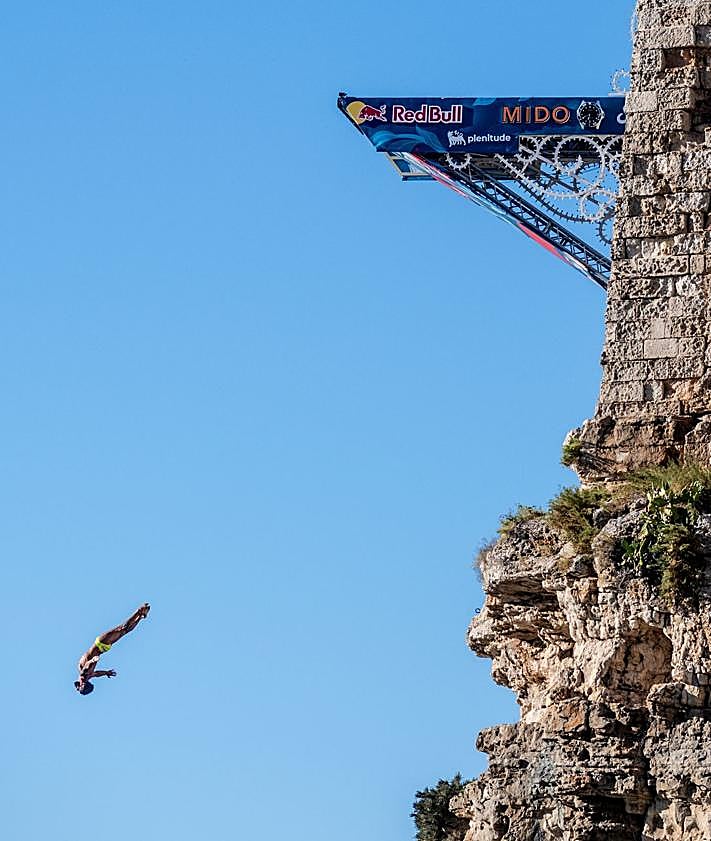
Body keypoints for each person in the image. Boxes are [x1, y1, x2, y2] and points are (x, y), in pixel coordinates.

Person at [75, 603, 150, 695]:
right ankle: (140, 616)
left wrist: (93, 660)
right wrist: (106, 673)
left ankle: (140, 610)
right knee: (125, 631)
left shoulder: (83, 675)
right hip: (102, 648)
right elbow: (97, 674)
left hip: (100, 644)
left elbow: (86, 666)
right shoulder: (88, 676)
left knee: (123, 628)